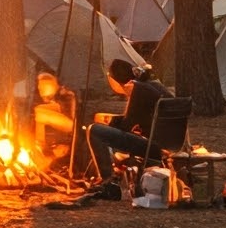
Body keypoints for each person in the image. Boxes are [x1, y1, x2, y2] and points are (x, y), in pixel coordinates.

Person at [85, 58, 166, 187]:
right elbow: (141, 117)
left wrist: (110, 122)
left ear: (115, 80)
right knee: (103, 130)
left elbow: (127, 126)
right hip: (166, 144)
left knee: (95, 130)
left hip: (153, 147)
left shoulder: (137, 89)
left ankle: (108, 179)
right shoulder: (152, 85)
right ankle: (101, 174)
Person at [32, 68, 77, 171]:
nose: (40, 88)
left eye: (43, 84)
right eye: (39, 85)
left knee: (40, 113)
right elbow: (57, 107)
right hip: (64, 126)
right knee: (39, 110)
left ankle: (40, 145)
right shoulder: (56, 98)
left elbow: (73, 118)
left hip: (72, 126)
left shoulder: (66, 94)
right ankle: (39, 145)